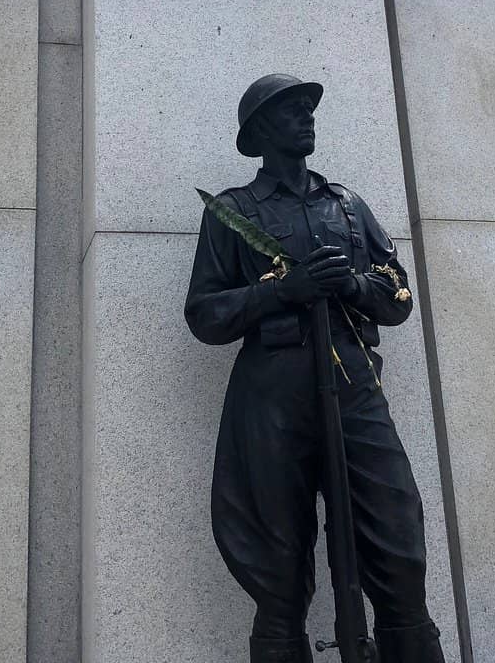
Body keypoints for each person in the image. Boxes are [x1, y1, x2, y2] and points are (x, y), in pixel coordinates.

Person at [185, 74, 446, 663]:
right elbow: (204, 314)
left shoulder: (347, 206)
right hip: (273, 394)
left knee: (397, 540)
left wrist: (353, 284)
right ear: (259, 132)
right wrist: (282, 291)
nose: (307, 118)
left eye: (309, 109)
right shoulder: (232, 212)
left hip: (353, 385)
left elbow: (399, 294)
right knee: (277, 563)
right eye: (291, 111)